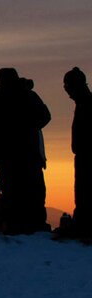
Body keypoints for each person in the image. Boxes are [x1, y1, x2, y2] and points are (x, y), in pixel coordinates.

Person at [0, 68, 51, 234]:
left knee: (12, 189)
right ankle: (36, 222)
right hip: (29, 152)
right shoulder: (28, 96)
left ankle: (15, 222)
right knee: (34, 189)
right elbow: (45, 116)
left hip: (6, 153)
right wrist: (29, 127)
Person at [61, 67, 90, 238]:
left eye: (67, 88)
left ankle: (85, 226)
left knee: (85, 190)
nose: (67, 92)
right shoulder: (82, 103)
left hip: (87, 156)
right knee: (82, 191)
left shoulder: (86, 104)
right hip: (82, 154)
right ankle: (83, 224)